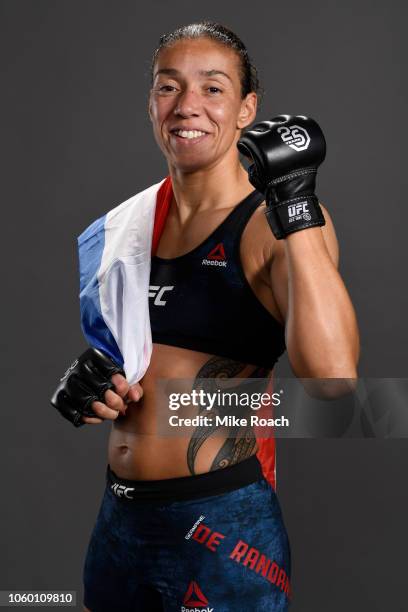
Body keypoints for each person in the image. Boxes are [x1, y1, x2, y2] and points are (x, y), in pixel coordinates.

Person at [51, 22, 359, 612]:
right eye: (169, 87)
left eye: (212, 89)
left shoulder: (274, 220)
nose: (187, 105)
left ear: (247, 109)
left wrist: (295, 203)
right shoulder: (130, 225)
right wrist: (92, 383)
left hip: (219, 527)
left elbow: (334, 381)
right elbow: (140, 358)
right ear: (151, 104)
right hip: (118, 520)